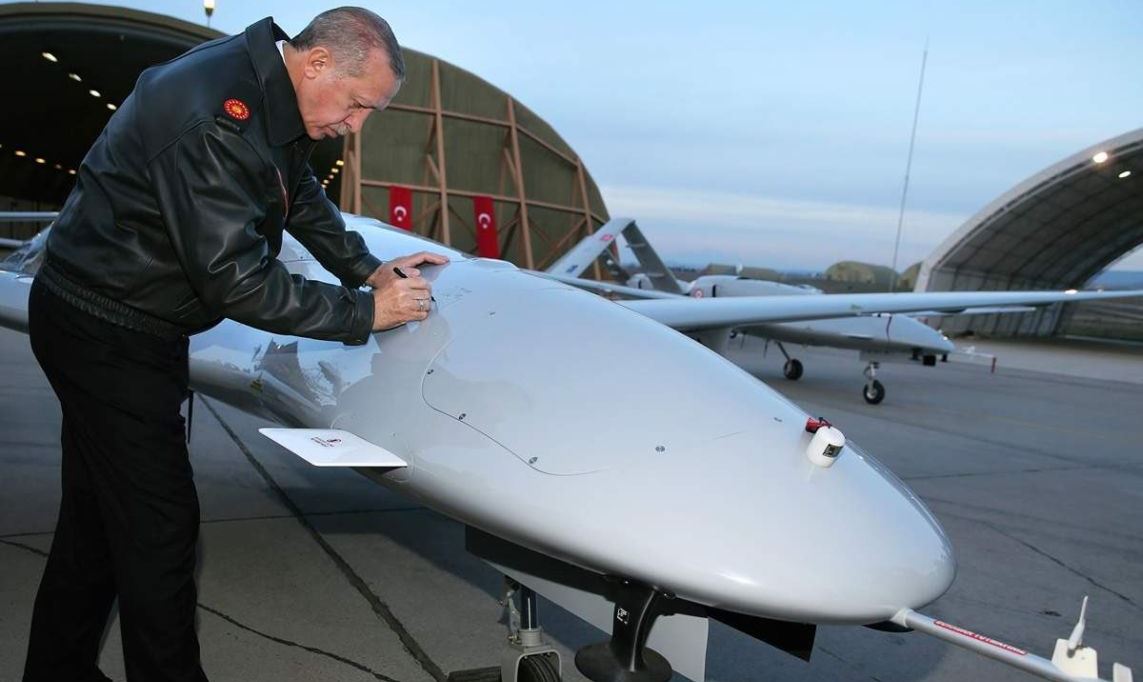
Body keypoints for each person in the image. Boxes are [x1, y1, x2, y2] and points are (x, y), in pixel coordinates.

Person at [23, 8, 446, 681]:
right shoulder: (216, 119)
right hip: (108, 330)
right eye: (358, 104)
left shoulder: (268, 90)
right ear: (317, 63)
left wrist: (365, 268)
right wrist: (367, 312)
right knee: (160, 532)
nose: (356, 124)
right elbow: (238, 282)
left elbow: (294, 191)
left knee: (99, 521)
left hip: (121, 317)